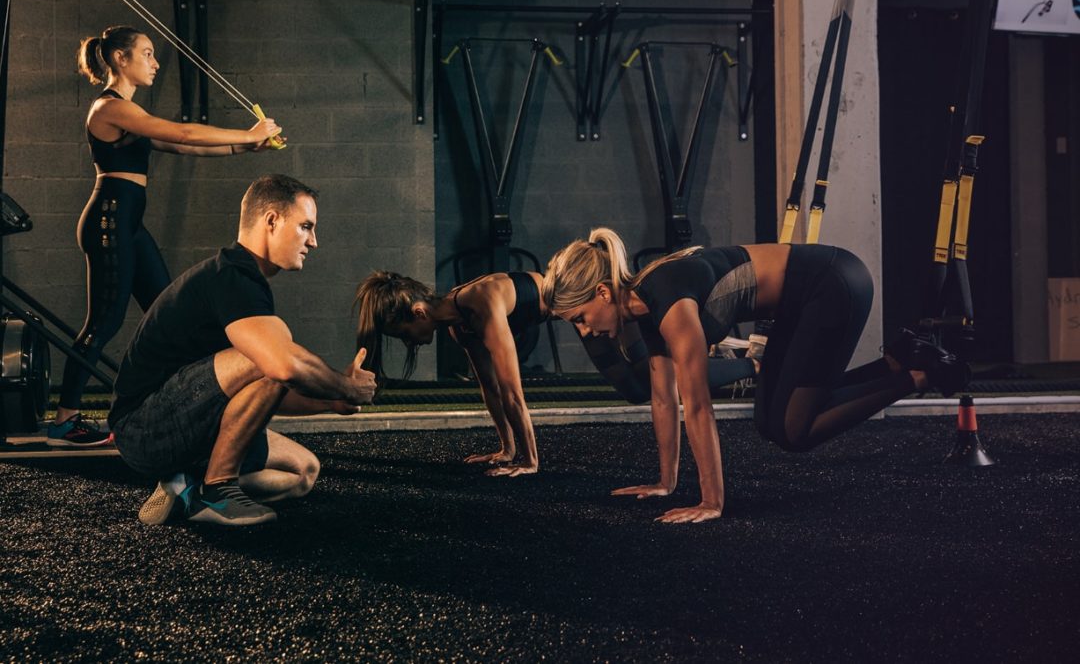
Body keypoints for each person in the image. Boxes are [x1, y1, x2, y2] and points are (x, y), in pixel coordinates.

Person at [542, 227, 969, 524]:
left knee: (795, 430)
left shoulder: (670, 304)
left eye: (579, 318)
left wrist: (711, 501)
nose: (583, 330)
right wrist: (664, 482)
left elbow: (697, 406)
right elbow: (661, 397)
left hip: (834, 284)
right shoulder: (647, 307)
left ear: (601, 293)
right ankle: (899, 360)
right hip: (801, 304)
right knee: (769, 423)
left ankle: (917, 375)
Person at [48, 25, 283, 447]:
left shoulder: (131, 116)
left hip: (128, 224)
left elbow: (187, 147)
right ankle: (65, 420)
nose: (155, 62)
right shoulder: (108, 108)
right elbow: (183, 132)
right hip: (109, 220)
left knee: (168, 311)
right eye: (148, 53)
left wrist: (246, 148)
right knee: (104, 321)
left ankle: (180, 405)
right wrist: (247, 133)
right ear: (121, 59)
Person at [109, 175, 376, 527]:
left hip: (189, 423)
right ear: (271, 221)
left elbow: (264, 389)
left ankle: (188, 487)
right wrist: (347, 386)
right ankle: (217, 492)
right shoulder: (231, 276)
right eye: (306, 227)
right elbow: (280, 367)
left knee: (303, 472)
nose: (313, 241)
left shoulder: (247, 283)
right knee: (272, 353)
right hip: (144, 428)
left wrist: (332, 403)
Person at [354, 271, 546, 477]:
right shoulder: (459, 327)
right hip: (534, 306)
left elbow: (512, 393)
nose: (408, 342)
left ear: (420, 313)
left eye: (404, 334)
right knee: (490, 384)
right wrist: (507, 450)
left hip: (566, 293)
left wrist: (529, 462)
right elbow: (490, 387)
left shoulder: (479, 302)